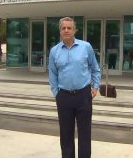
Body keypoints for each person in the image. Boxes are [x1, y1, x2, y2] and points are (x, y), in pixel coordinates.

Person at [48, 17, 101, 158]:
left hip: (83, 95)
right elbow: (52, 74)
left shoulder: (86, 47)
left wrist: (95, 87)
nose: (66, 30)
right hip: (63, 97)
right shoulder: (54, 51)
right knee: (65, 134)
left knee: (84, 133)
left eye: (69, 28)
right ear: (60, 31)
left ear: (74, 30)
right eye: (63, 28)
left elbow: (95, 68)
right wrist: (56, 93)